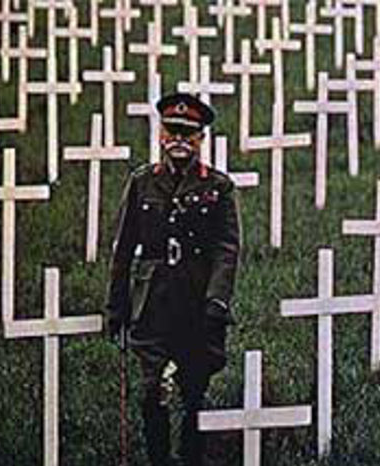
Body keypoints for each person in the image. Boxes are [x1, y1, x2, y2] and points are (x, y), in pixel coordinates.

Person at [106, 93, 241, 466]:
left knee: (194, 391)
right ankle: (159, 459)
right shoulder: (142, 182)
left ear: (201, 138)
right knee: (153, 391)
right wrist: (116, 307)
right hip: (152, 303)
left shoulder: (218, 187)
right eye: (172, 131)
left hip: (197, 303)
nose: (179, 139)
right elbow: (123, 250)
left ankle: (191, 456)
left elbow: (227, 249)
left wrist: (217, 300)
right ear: (161, 134)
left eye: (188, 133)